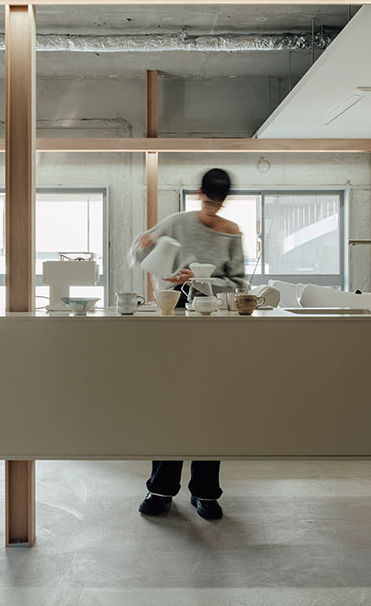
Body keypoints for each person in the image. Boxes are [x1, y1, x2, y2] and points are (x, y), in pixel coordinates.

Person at [130, 167, 248, 520]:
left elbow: (238, 282)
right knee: (170, 405)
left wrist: (200, 280)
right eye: (209, 201)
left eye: (219, 203)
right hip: (173, 320)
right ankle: (160, 489)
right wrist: (143, 243)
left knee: (211, 408)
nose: (213, 208)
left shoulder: (231, 233)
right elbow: (139, 257)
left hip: (214, 326)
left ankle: (206, 493)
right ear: (199, 193)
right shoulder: (178, 221)